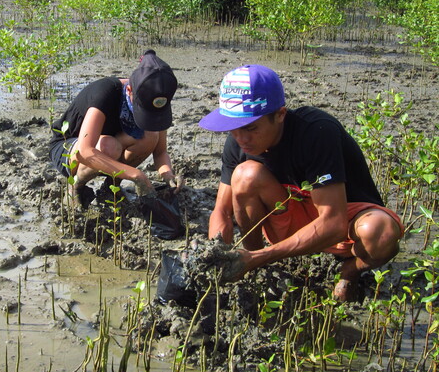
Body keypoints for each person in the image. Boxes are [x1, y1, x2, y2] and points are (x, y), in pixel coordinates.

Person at [198, 64, 403, 301]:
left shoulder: (316, 132)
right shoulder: (238, 142)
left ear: (280, 115)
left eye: (251, 127)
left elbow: (334, 223)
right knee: (245, 176)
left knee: (382, 233)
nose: (241, 138)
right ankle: (256, 267)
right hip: (290, 212)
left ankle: (349, 271)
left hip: (342, 219)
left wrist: (261, 257)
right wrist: (216, 255)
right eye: (233, 128)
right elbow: (221, 212)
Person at [50, 50, 183, 206]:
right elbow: (86, 151)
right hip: (70, 148)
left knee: (150, 135)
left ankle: (110, 188)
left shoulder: (158, 102)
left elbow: (160, 152)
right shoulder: (105, 93)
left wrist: (168, 175)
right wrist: (136, 175)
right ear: (129, 90)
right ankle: (76, 187)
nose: (149, 115)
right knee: (109, 146)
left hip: (111, 145)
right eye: (143, 109)